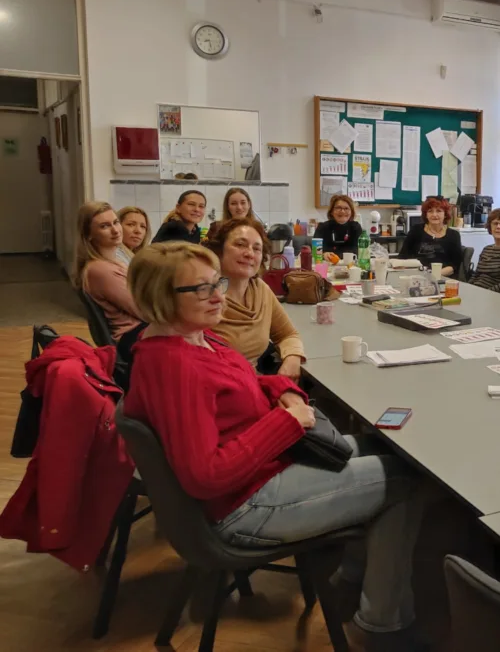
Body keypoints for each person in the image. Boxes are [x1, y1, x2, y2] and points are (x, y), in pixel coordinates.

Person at [124, 242, 427, 651]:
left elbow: (244, 384)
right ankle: (381, 625)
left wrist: (283, 391)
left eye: (217, 283)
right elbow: (205, 475)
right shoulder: (175, 367)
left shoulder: (194, 338)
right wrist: (286, 422)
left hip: (262, 472)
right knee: (404, 480)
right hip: (244, 505)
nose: (218, 296)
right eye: (202, 289)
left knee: (385, 450)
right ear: (160, 297)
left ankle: (355, 579)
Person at [206, 219, 305, 379]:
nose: (249, 253)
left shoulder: (260, 289)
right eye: (240, 245)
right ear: (219, 250)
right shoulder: (202, 296)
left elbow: (288, 334)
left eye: (257, 248)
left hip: (252, 382)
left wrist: (292, 358)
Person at [73, 201, 143, 342]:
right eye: (104, 226)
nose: (115, 230)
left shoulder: (115, 260)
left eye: (116, 222)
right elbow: (142, 310)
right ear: (89, 234)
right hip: (134, 337)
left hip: (143, 330)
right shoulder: (100, 271)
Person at [398, 197, 463, 277]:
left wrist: (434, 275)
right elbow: (403, 256)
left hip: (443, 277)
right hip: (417, 276)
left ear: (445, 214)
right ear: (426, 215)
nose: (434, 215)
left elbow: (455, 265)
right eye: (430, 211)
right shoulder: (416, 230)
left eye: (439, 211)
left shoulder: (454, 235)